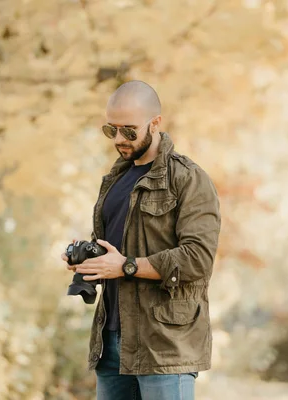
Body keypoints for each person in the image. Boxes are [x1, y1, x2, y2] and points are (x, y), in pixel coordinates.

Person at [61, 80, 221, 400]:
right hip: (111, 343)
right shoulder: (115, 179)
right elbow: (113, 250)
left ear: (156, 122)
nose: (119, 139)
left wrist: (127, 266)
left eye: (129, 130)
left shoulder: (187, 178)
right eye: (112, 130)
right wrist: (88, 258)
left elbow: (198, 259)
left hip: (163, 349)